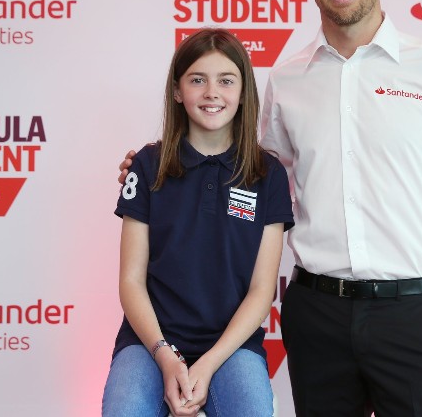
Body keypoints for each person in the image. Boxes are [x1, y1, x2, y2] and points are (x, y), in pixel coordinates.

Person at [119, 0, 422, 417]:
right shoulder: (286, 81)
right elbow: (246, 172)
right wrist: (156, 168)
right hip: (317, 315)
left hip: (415, 316)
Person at [103, 27, 294, 417]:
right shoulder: (147, 165)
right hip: (149, 341)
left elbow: (261, 291)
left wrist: (207, 364)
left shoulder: (267, 174)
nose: (212, 93)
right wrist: (164, 355)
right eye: (197, 80)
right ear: (177, 91)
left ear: (243, 92)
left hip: (231, 346)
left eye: (226, 80)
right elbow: (131, 280)